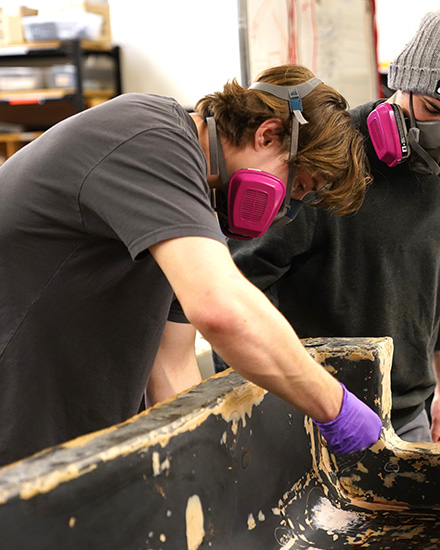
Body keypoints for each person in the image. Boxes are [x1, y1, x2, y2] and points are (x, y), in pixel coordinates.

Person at [0, 64, 382, 468]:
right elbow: (221, 311)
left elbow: (172, 365)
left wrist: (204, 470)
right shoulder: (150, 138)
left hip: (64, 441)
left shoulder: (191, 201)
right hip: (15, 428)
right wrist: (335, 406)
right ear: (267, 134)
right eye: (299, 185)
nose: (286, 208)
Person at [216, 0, 440, 443]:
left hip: (411, 411)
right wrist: (255, 414)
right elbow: (239, 287)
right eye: (431, 108)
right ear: (403, 84)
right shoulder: (326, 158)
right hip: (309, 412)